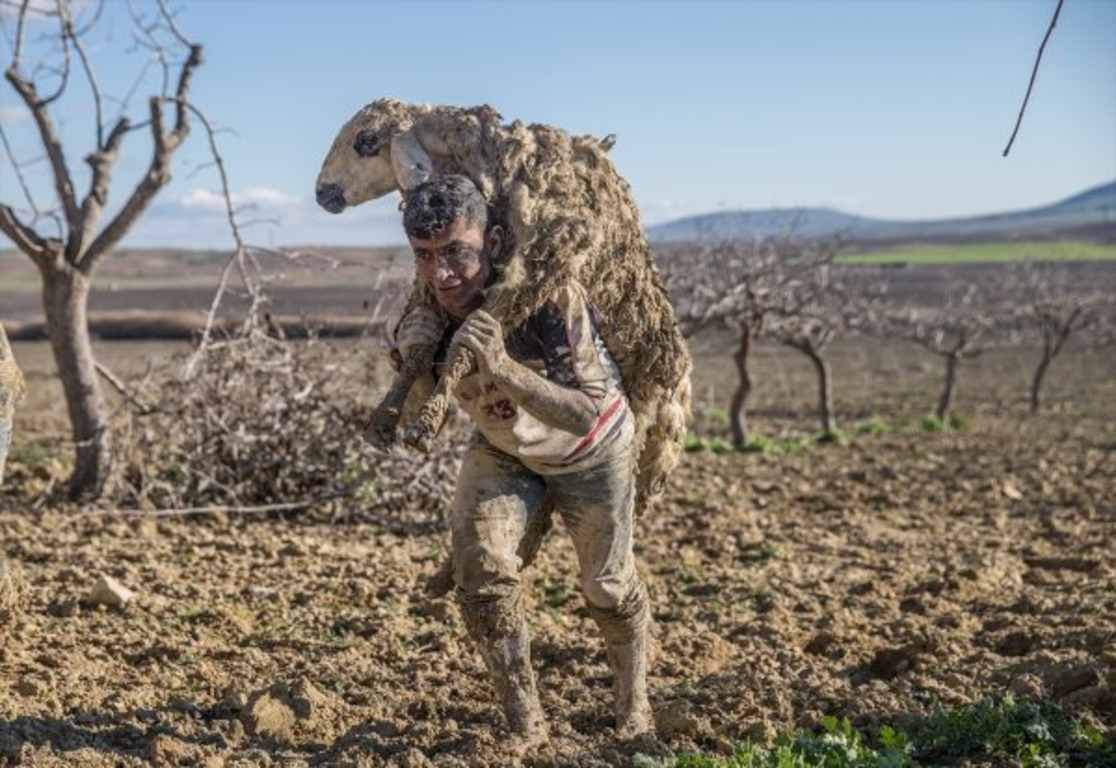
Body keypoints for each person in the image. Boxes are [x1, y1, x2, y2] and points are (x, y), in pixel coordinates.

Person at [392, 175, 654, 752]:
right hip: (505, 447)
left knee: (606, 586)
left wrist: (504, 368)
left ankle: (633, 707)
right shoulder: (424, 313)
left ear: (492, 241)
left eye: (456, 252)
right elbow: (420, 417)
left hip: (592, 451)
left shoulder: (549, 300)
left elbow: (585, 413)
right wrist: (406, 360)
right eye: (424, 257)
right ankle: (524, 723)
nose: (441, 274)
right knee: (480, 567)